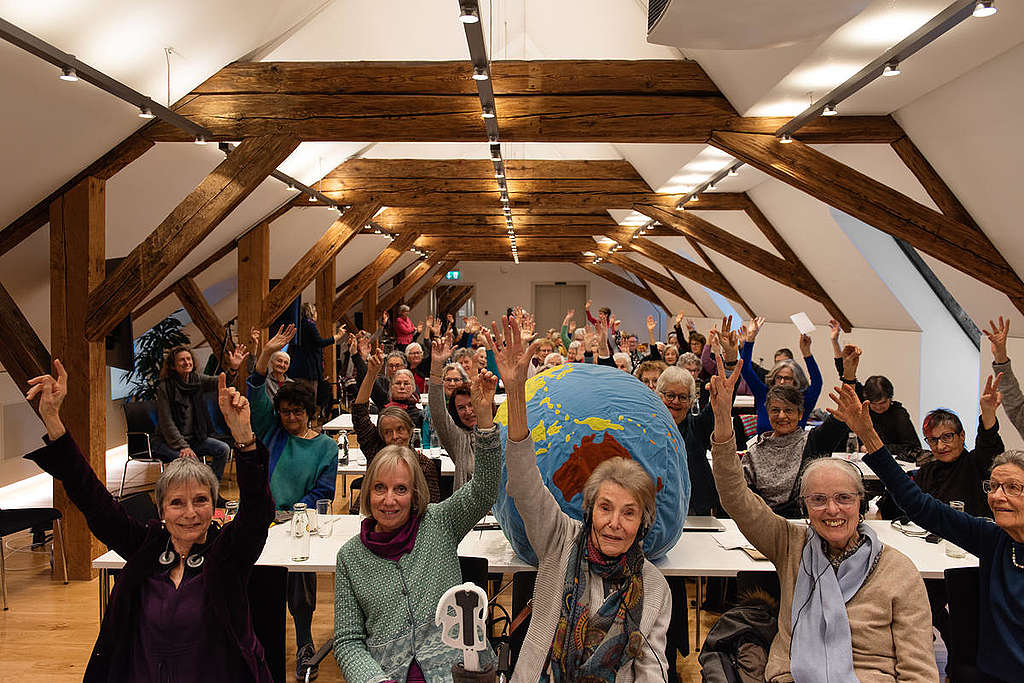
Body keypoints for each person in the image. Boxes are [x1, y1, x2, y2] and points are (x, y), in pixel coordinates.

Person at [25, 361, 276, 682]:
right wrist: (53, 420)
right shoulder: (145, 546)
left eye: (200, 500)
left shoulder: (228, 553)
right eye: (177, 502)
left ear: (214, 505)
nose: (189, 512)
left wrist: (244, 437)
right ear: (161, 509)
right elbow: (92, 498)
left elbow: (257, 512)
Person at [706, 357, 938, 683]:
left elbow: (919, 671)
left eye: (843, 498)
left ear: (862, 504)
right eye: (818, 500)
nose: (831, 510)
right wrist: (722, 422)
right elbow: (736, 498)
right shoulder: (791, 547)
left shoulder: (899, 571)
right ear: (805, 507)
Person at [495, 315, 671, 682]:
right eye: (605, 508)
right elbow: (525, 482)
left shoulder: (654, 586)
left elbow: (653, 669)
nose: (614, 523)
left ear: (642, 523)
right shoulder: (560, 542)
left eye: (629, 513)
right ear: (590, 511)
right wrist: (515, 394)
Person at [831, 382, 1024, 683]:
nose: (998, 497)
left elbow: (987, 445)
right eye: (994, 487)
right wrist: (868, 434)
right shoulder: (993, 538)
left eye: (1012, 488)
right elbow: (919, 505)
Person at [333, 363, 501, 682]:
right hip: (387, 674)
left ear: (414, 494)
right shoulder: (350, 558)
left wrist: (485, 420)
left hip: (458, 671)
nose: (389, 499)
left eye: (400, 489)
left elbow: (485, 487)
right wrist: (375, 680)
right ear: (368, 492)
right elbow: (347, 642)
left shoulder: (439, 523)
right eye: (380, 488)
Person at [247, 325, 339, 681]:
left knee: (300, 585)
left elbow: (323, 493)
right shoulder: (271, 433)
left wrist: (291, 516)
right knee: (260, 582)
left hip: (298, 523)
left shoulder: (325, 448)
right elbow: (255, 397)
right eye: (285, 411)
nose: (290, 418)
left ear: (309, 412)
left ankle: (304, 642)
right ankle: (258, 644)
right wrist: (264, 356)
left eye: (297, 412)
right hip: (263, 520)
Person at [741, 377, 850, 517]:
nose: (781, 416)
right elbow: (746, 500)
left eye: (788, 410)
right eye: (775, 410)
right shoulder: (753, 453)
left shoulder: (814, 442)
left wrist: (848, 374)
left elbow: (842, 413)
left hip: (808, 524)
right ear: (768, 413)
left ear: (800, 414)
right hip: (765, 525)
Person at [352, 347, 442, 508]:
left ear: (410, 431)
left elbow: (431, 508)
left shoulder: (424, 465)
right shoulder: (375, 450)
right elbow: (359, 414)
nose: (394, 436)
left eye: (400, 429)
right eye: (387, 432)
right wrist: (371, 373)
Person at [152, 344, 246, 484]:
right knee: (190, 461)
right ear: (173, 365)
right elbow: (167, 422)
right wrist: (183, 446)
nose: (187, 362)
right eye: (182, 360)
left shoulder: (196, 380)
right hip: (168, 442)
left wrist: (233, 369)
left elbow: (219, 383)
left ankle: (211, 487)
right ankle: (192, 492)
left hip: (194, 438)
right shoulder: (165, 387)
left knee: (223, 449)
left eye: (189, 359)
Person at [740, 316, 822, 435]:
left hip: (794, 451)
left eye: (787, 378)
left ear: (796, 381)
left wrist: (806, 353)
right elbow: (745, 370)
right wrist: (750, 340)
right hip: (763, 450)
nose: (782, 382)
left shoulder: (803, 400)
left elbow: (817, 382)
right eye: (779, 377)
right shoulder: (764, 394)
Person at [429, 335, 483, 489]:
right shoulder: (458, 437)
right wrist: (436, 367)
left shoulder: (497, 432)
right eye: (461, 408)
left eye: (471, 405)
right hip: (471, 510)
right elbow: (438, 412)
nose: (468, 411)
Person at [288, 303, 346, 414]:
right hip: (308, 370)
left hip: (297, 368)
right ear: (312, 312)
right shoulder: (310, 325)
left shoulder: (299, 325)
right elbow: (319, 342)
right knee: (309, 398)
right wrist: (337, 336)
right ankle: (310, 420)